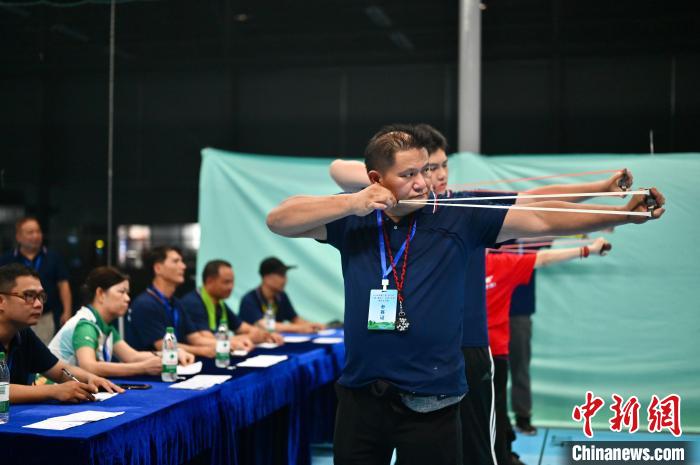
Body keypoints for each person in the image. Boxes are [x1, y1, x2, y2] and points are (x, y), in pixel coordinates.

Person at [267, 124, 663, 465]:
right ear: (375, 179)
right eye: (408, 174)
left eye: (426, 170)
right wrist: (354, 202)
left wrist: (624, 214)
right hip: (362, 397)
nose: (423, 182)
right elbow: (280, 218)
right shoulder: (354, 217)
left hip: (432, 399)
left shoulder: (458, 212)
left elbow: (541, 216)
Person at [486, 238, 611, 465]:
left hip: (500, 340)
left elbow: (552, 244)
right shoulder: (473, 262)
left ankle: (512, 436)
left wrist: (590, 244)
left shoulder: (507, 259)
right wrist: (589, 248)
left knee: (501, 393)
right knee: (482, 405)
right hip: (473, 349)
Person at [0, 263, 122, 403]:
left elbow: (59, 370)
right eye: (28, 296)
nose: (38, 304)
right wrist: (54, 391)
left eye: (41, 296)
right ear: (1, 301)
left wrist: (91, 378)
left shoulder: (23, 334)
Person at [48, 266, 194, 377]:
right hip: (52, 394)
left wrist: (171, 353)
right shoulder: (85, 324)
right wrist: (142, 368)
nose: (127, 298)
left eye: (128, 293)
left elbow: (132, 356)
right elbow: (89, 367)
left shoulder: (105, 326)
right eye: (121, 292)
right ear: (100, 293)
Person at [125, 246, 254, 357]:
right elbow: (163, 346)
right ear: (158, 268)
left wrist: (227, 343)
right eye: (176, 261)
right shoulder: (145, 304)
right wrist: (203, 351)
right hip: (151, 372)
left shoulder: (175, 303)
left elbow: (195, 338)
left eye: (182, 261)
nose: (183, 266)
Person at [0, 217, 73, 342]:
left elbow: (63, 285)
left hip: (45, 316)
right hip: (15, 317)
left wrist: (67, 311)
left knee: (42, 349)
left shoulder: (53, 257)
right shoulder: (7, 259)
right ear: (18, 237)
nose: (36, 236)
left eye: (38, 231)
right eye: (30, 232)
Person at [181, 259, 284, 345]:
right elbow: (208, 340)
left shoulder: (220, 303)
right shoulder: (193, 303)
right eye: (226, 282)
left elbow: (242, 327)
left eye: (232, 282)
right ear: (209, 281)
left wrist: (266, 334)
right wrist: (249, 337)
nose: (231, 287)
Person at [239, 257, 326, 334]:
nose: (285, 279)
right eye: (281, 275)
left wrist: (312, 325)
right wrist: (300, 328)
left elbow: (295, 319)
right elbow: (265, 325)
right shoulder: (249, 300)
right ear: (266, 277)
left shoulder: (281, 296)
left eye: (285, 275)